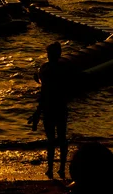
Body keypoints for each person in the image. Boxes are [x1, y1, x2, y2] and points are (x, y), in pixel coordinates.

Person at [29, 41, 71, 179]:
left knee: (51, 140)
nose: (48, 56)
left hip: (49, 108)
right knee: (62, 138)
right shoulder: (64, 68)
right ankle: (61, 168)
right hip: (61, 107)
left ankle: (50, 169)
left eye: (48, 53)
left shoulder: (45, 69)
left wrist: (37, 112)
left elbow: (44, 93)